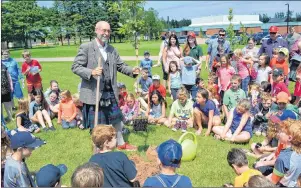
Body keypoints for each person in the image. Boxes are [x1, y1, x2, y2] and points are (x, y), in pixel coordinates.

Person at [72, 21, 139, 151]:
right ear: (96, 30)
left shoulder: (111, 49)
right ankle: (99, 148)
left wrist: (132, 71)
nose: (106, 33)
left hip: (110, 91)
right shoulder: (86, 47)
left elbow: (120, 65)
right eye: (104, 30)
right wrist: (91, 72)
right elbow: (75, 67)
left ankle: (121, 144)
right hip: (94, 92)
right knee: (98, 124)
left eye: (108, 31)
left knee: (117, 119)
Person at [268, 119, 301, 187]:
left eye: (281, 131)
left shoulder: (282, 158)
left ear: (289, 138)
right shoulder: (297, 151)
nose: (278, 133)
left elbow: (273, 181)